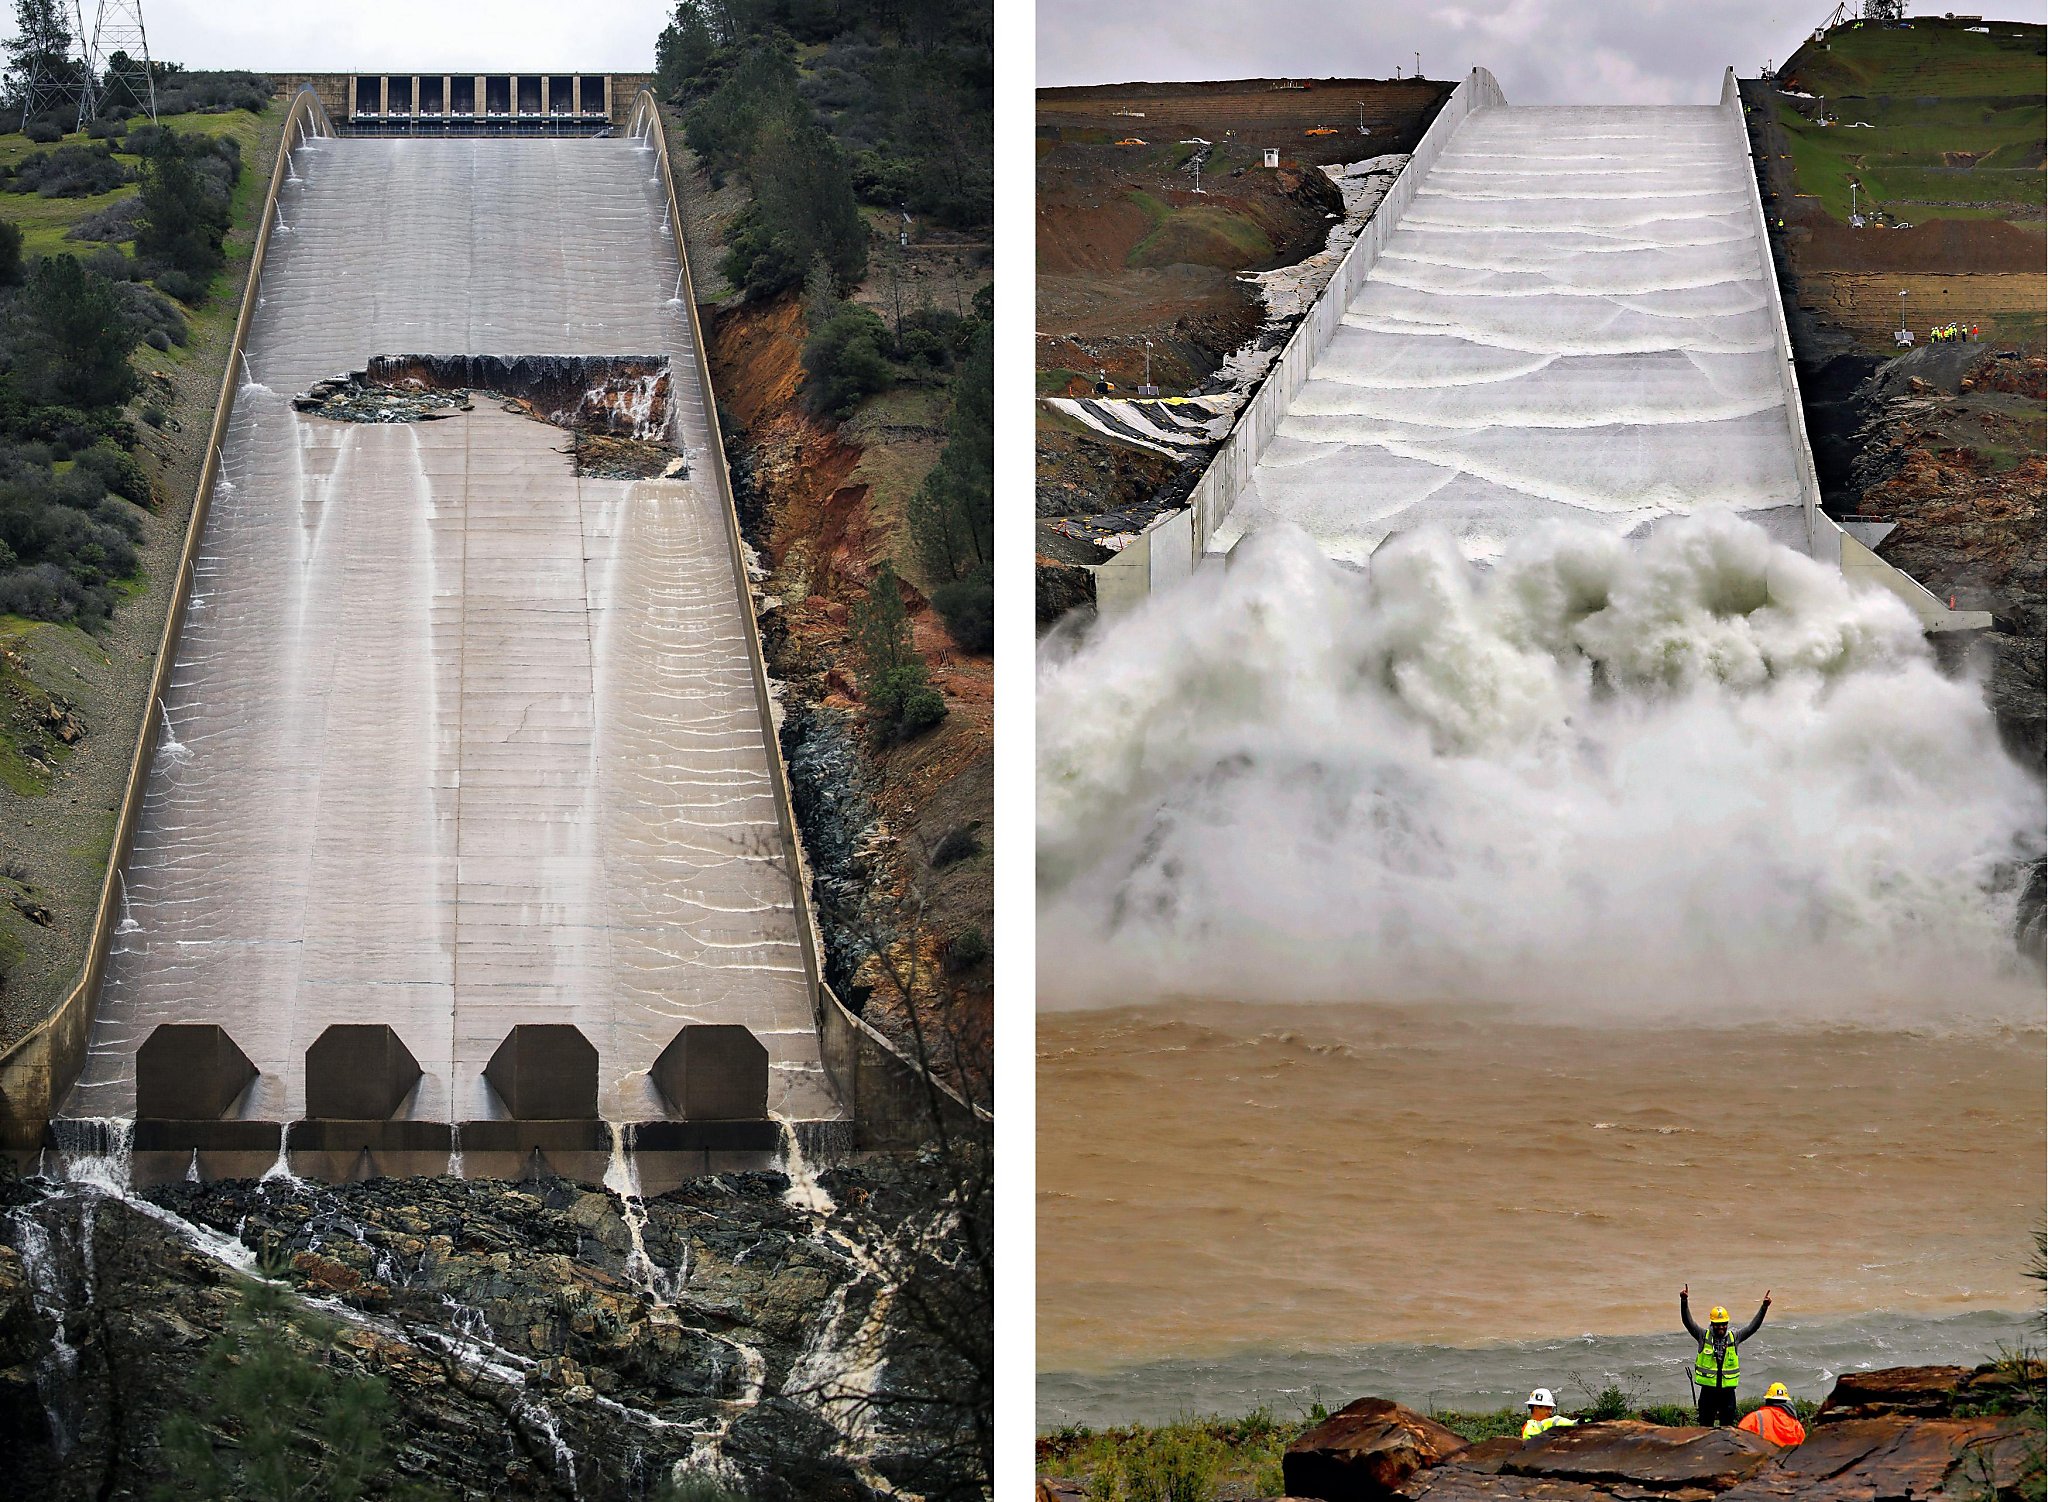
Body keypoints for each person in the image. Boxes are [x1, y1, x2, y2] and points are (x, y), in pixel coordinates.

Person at [1681, 1284, 1770, 1426]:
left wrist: (1764, 1307)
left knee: (1728, 1430)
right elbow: (1687, 1322)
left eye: (1724, 1324)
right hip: (1708, 1392)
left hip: (1727, 1393)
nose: (1721, 1327)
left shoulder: (1735, 1337)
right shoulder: (1702, 1336)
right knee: (1705, 1429)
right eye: (1718, 1324)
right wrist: (1684, 1301)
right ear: (1712, 1323)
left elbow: (1753, 1327)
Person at [1738, 1382, 1807, 1446]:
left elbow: (1738, 1438)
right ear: (1785, 1401)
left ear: (1767, 1400)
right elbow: (1802, 1447)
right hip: (1787, 1458)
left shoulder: (1755, 1418)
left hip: (1763, 1457)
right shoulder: (1795, 1424)